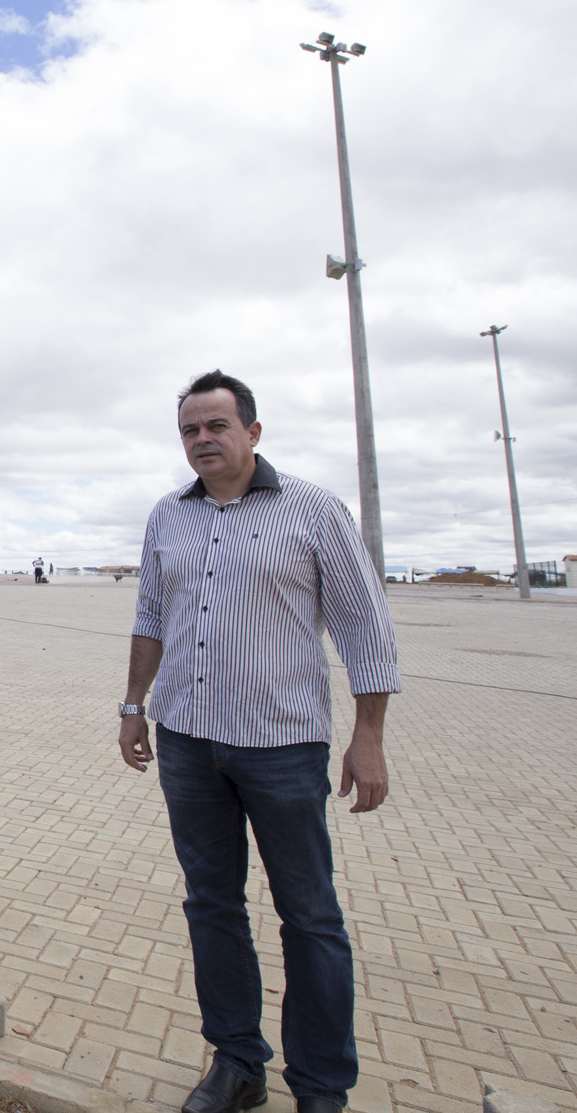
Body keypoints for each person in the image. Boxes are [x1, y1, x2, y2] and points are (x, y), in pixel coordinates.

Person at [119, 370, 401, 1113]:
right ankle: (237, 1062)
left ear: (252, 430)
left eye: (216, 425)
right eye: (189, 429)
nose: (202, 439)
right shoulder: (166, 516)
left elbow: (365, 626)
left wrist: (367, 736)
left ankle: (321, 1085)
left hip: (281, 747)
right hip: (186, 743)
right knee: (211, 903)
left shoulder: (312, 509)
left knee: (308, 914)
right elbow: (151, 615)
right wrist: (132, 705)